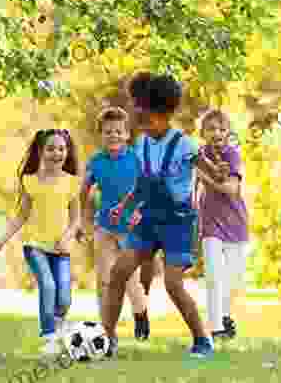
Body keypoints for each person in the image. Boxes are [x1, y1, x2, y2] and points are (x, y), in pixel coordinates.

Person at [102, 72, 218, 359]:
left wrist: (217, 171)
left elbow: (203, 164)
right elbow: (142, 183)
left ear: (164, 114)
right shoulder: (141, 144)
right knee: (118, 274)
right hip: (149, 219)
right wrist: (125, 206)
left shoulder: (183, 144)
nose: (142, 122)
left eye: (148, 117)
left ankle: (202, 339)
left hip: (177, 222)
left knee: (172, 285)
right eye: (140, 116)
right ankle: (107, 338)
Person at [0, 129, 82, 356]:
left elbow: (76, 218)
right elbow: (20, 216)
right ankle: (48, 336)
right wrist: (0, 241)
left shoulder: (71, 182)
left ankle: (58, 326)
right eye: (51, 148)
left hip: (61, 249)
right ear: (40, 151)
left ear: (67, 153)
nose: (57, 153)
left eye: (61, 149)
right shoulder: (30, 181)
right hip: (35, 245)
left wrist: (68, 237)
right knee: (48, 286)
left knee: (64, 298)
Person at [79, 107, 150, 341]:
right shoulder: (96, 162)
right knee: (105, 280)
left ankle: (140, 312)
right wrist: (83, 220)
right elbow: (84, 190)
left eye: (119, 132)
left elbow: (148, 189)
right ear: (101, 135)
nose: (114, 136)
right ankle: (107, 332)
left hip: (131, 230)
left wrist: (141, 212)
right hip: (105, 228)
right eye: (108, 132)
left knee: (130, 280)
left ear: (127, 134)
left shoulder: (136, 158)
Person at [195, 109, 250, 340]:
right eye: (211, 129)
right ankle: (215, 328)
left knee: (234, 279)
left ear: (227, 133)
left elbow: (231, 189)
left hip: (235, 223)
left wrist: (204, 177)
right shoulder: (198, 155)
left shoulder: (232, 155)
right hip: (210, 223)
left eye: (221, 129)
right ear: (203, 133)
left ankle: (225, 316)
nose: (216, 133)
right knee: (214, 276)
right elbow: (191, 186)